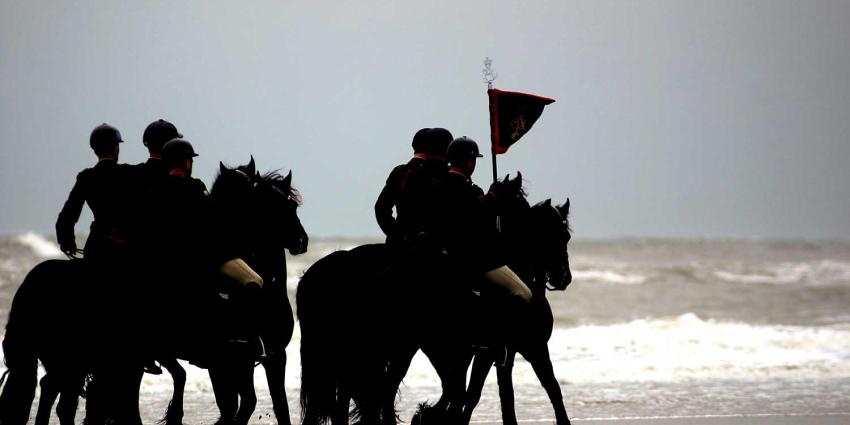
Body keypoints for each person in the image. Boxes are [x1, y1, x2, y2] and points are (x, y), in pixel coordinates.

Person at [425, 136, 532, 343]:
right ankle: (498, 340)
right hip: (473, 258)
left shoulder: (436, 186)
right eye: (473, 160)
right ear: (469, 161)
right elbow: (475, 225)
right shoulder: (468, 190)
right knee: (523, 293)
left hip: (441, 254)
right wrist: (491, 202)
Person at [56, 123, 134, 260]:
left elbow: (67, 216)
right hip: (125, 249)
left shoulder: (86, 177)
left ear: (94, 150)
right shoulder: (129, 173)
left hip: (97, 247)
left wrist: (67, 242)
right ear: (116, 148)